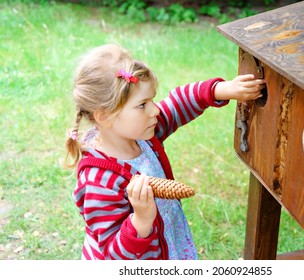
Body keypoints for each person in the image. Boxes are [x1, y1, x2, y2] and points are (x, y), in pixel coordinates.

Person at [64, 43, 265, 260]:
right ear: (105, 116)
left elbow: (178, 103)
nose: (155, 109)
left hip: (166, 243)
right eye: (142, 105)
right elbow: (113, 255)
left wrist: (219, 90)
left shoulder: (144, 134)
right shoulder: (99, 182)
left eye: (152, 100)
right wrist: (140, 220)